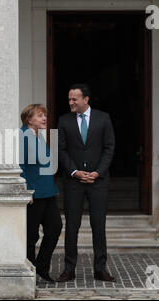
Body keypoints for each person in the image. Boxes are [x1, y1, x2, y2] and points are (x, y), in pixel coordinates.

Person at [57, 84, 116, 282]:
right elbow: (61, 150)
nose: (70, 102)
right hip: (73, 182)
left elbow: (109, 148)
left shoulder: (103, 118)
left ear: (86, 99)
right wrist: (74, 172)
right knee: (72, 226)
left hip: (98, 182)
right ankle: (69, 269)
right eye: (69, 99)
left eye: (74, 99)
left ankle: (100, 269)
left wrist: (97, 172)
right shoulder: (64, 120)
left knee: (98, 226)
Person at [20, 104, 62, 283]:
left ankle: (41, 267)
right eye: (39, 115)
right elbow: (19, 166)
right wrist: (26, 190)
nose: (44, 118)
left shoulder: (38, 136)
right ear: (29, 119)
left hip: (47, 192)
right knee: (30, 235)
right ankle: (30, 272)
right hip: (33, 194)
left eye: (44, 115)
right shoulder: (23, 137)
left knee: (54, 228)